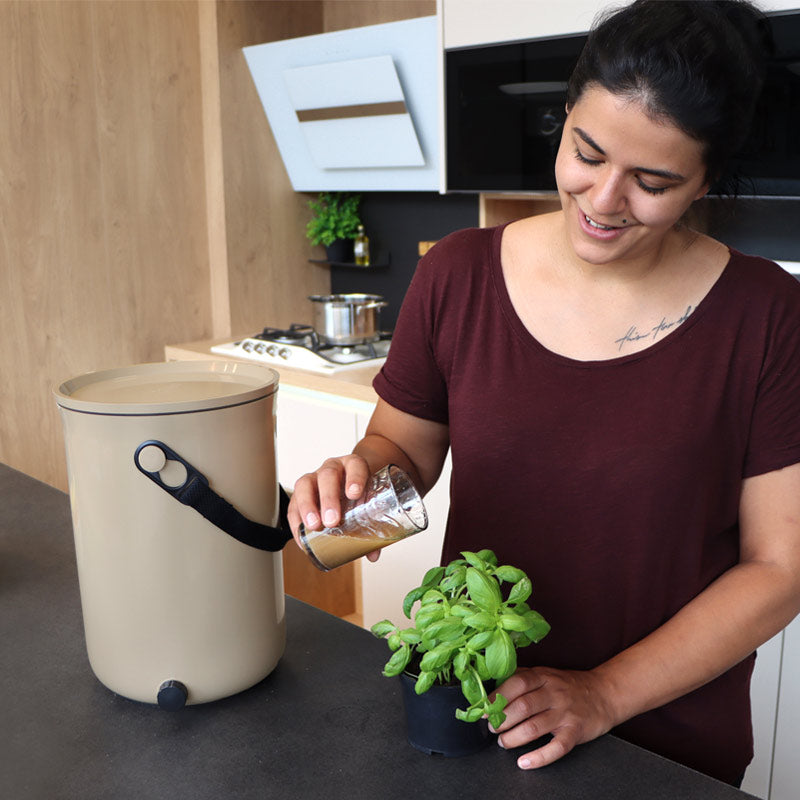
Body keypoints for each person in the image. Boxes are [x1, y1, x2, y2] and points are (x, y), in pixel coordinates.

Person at [288, 0, 800, 787]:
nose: (602, 200)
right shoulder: (457, 272)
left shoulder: (767, 315)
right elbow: (404, 457)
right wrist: (351, 491)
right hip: (475, 700)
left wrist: (604, 693)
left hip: (668, 739)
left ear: (707, 180)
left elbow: (781, 566)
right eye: (586, 152)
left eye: (653, 181)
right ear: (563, 118)